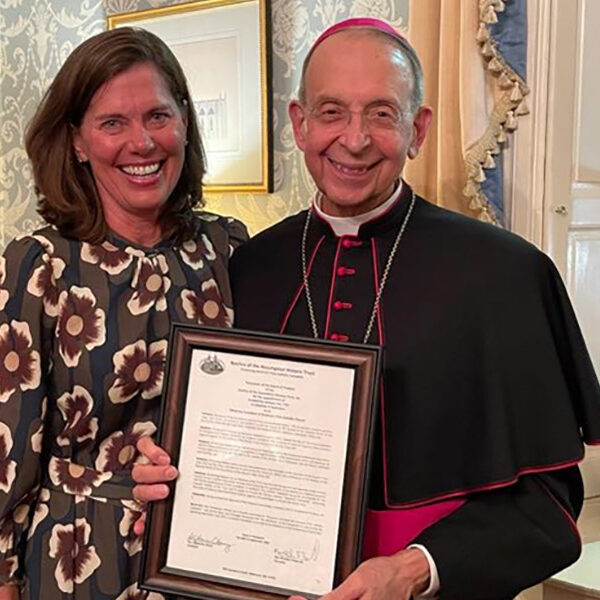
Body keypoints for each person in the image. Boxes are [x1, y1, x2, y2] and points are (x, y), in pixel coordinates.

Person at [133, 17, 600, 600]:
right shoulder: (251, 267)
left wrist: (412, 570)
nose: (353, 140)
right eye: (332, 112)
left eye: (381, 113)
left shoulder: (505, 275)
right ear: (300, 125)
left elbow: (550, 515)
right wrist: (176, 475)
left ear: (418, 129)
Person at [0, 28, 245, 599]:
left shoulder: (227, 249)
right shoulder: (39, 265)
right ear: (78, 142)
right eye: (113, 123)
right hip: (80, 560)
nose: (142, 142)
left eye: (158, 116)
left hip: (209, 551)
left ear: (184, 122)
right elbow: (8, 449)